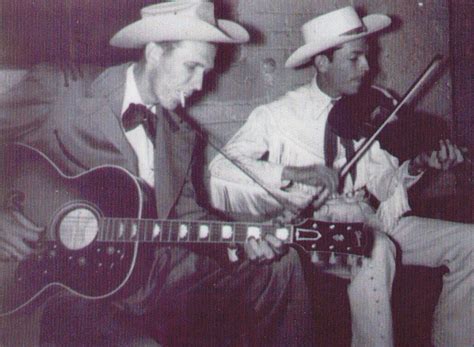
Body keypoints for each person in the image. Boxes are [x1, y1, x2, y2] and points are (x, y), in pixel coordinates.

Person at [0, 1, 315, 346]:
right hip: (65, 285)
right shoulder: (64, 90)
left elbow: (187, 215)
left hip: (154, 274)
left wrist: (241, 239)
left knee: (281, 267)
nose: (198, 85)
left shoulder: (181, 134)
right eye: (191, 67)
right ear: (153, 53)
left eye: (206, 72)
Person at [210, 6, 473, 347]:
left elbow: (383, 183)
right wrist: (293, 173)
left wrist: (417, 166)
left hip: (374, 217)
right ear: (322, 61)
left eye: (366, 57)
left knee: (470, 243)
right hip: (319, 231)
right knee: (375, 249)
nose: (367, 68)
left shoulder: (372, 107)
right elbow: (222, 168)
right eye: (355, 58)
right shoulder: (278, 115)